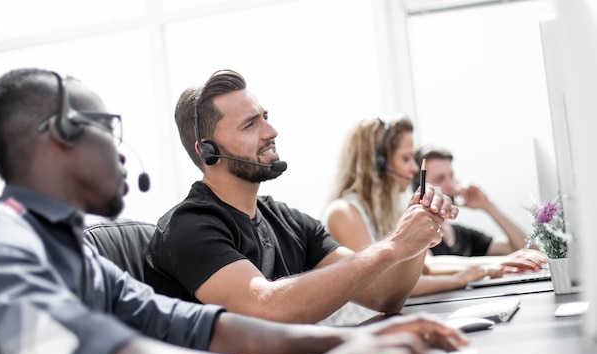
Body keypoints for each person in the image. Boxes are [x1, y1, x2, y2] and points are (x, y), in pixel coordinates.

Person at [0, 68, 469, 354]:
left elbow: (197, 326)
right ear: (59, 134)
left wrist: (345, 342)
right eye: (107, 128)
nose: (123, 150)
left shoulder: (70, 251)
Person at [144, 69, 459, 325]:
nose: (271, 131)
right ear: (207, 151)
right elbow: (267, 308)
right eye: (250, 124)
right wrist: (394, 244)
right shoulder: (189, 227)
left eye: (265, 116)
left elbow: (384, 295)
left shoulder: (285, 219)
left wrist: (418, 232)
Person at [323, 117, 499, 321]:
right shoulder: (343, 213)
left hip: (383, 324)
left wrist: (491, 265)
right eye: (406, 159)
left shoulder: (388, 211)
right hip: (358, 332)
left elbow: (424, 268)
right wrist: (461, 278)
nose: (414, 169)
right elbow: (379, 289)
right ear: (377, 164)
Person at [412, 147, 546, 270]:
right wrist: (498, 262)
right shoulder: (415, 232)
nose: (451, 186)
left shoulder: (463, 235)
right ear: (420, 187)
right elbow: (428, 267)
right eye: (440, 179)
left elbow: (531, 251)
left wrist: (488, 206)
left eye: (451, 176)